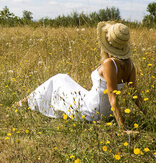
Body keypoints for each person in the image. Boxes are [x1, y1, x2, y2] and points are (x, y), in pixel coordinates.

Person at [14, 21, 144, 130]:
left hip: (90, 110)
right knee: (62, 78)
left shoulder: (109, 63)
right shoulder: (129, 65)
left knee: (58, 79)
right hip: (105, 112)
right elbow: (135, 95)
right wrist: (148, 115)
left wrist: (123, 128)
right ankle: (27, 101)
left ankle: (25, 102)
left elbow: (112, 97)